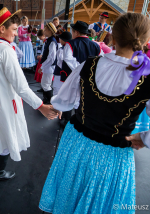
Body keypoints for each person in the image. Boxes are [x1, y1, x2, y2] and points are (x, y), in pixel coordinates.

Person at [39, 12, 150, 214]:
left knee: (70, 192)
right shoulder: (146, 77)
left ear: (112, 37)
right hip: (113, 153)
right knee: (99, 202)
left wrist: (48, 106)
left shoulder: (88, 64)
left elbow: (63, 102)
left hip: (76, 141)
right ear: (146, 40)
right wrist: (144, 138)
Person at [0, 7, 56, 182]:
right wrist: (40, 106)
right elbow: (21, 87)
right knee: (5, 135)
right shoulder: (5, 50)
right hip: (5, 102)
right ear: (2, 29)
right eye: (13, 29)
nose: (17, 34)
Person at [59, 20, 102, 128]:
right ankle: (80, 119)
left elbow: (67, 58)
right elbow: (100, 59)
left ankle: (66, 119)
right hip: (89, 77)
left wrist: (79, 68)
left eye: (72, 31)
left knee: (69, 97)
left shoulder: (70, 43)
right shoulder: (96, 45)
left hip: (72, 75)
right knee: (84, 97)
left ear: (76, 32)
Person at [38, 22, 58, 104]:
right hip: (47, 67)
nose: (44, 32)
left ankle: (50, 100)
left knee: (46, 85)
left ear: (50, 31)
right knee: (44, 84)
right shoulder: (49, 41)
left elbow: (51, 58)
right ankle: (46, 98)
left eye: (45, 30)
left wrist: (42, 67)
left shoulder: (52, 42)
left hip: (49, 67)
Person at [52, 31, 72, 96]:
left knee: (57, 88)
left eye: (60, 39)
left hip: (60, 71)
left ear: (64, 40)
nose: (59, 40)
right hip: (68, 72)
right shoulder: (72, 48)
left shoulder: (62, 50)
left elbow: (60, 62)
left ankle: (56, 104)